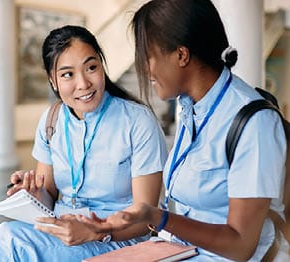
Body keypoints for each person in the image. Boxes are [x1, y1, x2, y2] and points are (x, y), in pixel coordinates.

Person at [79, 0, 290, 261]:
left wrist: (160, 218)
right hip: (182, 250)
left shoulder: (254, 122)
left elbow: (241, 245)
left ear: (181, 55)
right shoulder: (190, 108)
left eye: (147, 57)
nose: (145, 70)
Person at [0, 25, 168, 261]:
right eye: (68, 74)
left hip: (119, 240)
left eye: (91, 67)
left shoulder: (138, 121)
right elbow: (48, 195)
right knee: (8, 235)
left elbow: (147, 219)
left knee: (11, 241)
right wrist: (32, 194)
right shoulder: (51, 120)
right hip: (62, 232)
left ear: (102, 65)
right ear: (53, 80)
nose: (83, 84)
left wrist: (96, 231)